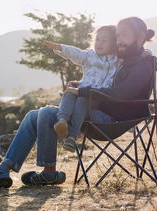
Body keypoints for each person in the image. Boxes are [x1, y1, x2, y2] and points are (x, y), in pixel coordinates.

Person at [0, 17, 156, 190]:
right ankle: (3, 170)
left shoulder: (142, 63)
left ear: (139, 38)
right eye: (117, 35)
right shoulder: (123, 58)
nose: (118, 39)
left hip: (113, 120)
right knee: (33, 115)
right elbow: (101, 76)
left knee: (48, 113)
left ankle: (49, 173)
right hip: (93, 109)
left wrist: (83, 91)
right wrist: (81, 85)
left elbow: (123, 93)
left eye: (124, 35)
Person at [43, 25, 120, 153]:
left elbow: (133, 55)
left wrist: (147, 53)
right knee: (69, 92)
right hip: (81, 89)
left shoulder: (117, 60)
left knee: (81, 100)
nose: (99, 43)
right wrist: (61, 47)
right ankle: (62, 120)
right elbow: (76, 53)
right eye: (97, 39)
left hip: (96, 96)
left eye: (104, 40)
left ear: (114, 44)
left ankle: (72, 137)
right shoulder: (90, 56)